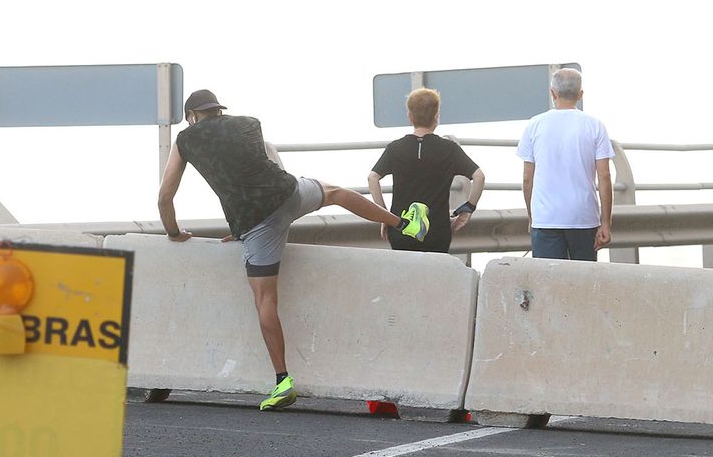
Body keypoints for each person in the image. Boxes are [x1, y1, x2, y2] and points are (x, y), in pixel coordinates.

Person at [158, 88, 430, 411]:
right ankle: (405, 224)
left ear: (191, 117)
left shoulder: (185, 140)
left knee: (265, 300)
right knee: (336, 193)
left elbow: (165, 198)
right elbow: (261, 166)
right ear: (219, 110)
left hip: (257, 225)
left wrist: (175, 232)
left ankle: (283, 381)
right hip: (287, 194)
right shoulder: (248, 123)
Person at [367, 87, 486, 254]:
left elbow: (373, 178)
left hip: (401, 229)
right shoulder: (449, 149)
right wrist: (468, 208)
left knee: (407, 276)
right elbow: (479, 176)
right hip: (437, 232)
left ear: (410, 117)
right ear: (436, 117)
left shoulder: (395, 148)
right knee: (434, 277)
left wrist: (384, 216)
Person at [517, 66, 614, 260]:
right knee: (584, 282)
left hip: (546, 218)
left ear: (552, 93)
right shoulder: (595, 126)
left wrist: (532, 216)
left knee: (547, 282)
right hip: (583, 217)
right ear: (580, 94)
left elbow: (528, 178)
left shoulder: (534, 125)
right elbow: (604, 176)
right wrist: (605, 223)